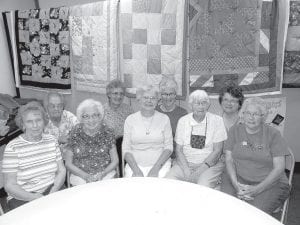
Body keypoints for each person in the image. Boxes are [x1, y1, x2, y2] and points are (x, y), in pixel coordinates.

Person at [221, 97, 290, 215]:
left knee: (253, 214)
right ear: (243, 114)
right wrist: (236, 185)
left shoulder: (273, 134)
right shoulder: (235, 130)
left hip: (269, 182)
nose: (251, 117)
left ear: (263, 116)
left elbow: (279, 168)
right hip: (237, 178)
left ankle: (271, 202)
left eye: (256, 114)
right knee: (226, 208)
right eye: (248, 113)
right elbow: (229, 160)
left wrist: (256, 190)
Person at [2, 101, 66, 210]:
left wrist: (54, 189)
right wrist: (34, 197)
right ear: (23, 124)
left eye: (38, 120)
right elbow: (9, 185)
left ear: (44, 121)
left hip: (52, 189)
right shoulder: (13, 147)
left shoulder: (52, 140)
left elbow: (61, 170)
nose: (35, 125)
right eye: (29, 122)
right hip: (23, 197)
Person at [166, 90, 227, 188]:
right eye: (197, 103)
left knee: (203, 187)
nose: (201, 106)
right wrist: (186, 170)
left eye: (204, 103)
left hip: (209, 165)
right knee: (168, 182)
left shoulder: (217, 121)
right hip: (184, 163)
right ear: (190, 106)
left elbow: (217, 151)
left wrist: (199, 172)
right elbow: (179, 150)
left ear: (208, 105)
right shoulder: (183, 121)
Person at [65, 99, 119, 186]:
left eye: (95, 115)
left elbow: (115, 160)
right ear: (80, 118)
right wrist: (85, 176)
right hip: (80, 176)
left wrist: (103, 173)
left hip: (105, 174)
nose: (91, 120)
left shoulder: (108, 131)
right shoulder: (75, 132)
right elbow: (68, 163)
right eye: (86, 116)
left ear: (100, 116)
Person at [122, 85, 173, 177]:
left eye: (153, 98)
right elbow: (126, 148)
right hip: (135, 165)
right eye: (145, 97)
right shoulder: (130, 120)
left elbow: (169, 147)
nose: (149, 101)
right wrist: (136, 170)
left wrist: (156, 169)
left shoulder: (165, 119)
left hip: (160, 164)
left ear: (157, 101)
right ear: (139, 99)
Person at [103, 79, 133, 177]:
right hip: (109, 147)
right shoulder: (101, 110)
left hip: (126, 145)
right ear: (109, 94)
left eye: (121, 93)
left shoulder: (128, 109)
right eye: (115, 93)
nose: (119, 96)